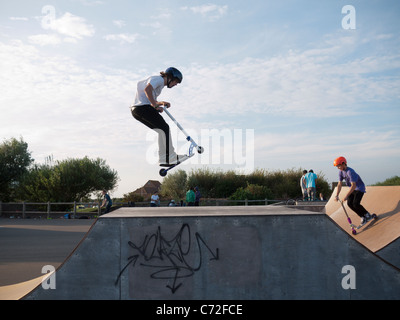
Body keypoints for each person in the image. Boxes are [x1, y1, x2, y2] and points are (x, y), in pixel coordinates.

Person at [131, 67, 186, 167]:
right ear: (170, 77)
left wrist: (160, 103)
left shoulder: (159, 85)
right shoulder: (159, 79)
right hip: (142, 108)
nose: (176, 84)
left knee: (162, 130)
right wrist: (156, 105)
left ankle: (164, 158)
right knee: (165, 128)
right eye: (176, 82)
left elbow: (149, 98)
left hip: (137, 110)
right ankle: (170, 156)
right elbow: (147, 90)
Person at [333, 156, 373, 227]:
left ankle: (367, 214)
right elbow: (339, 184)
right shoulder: (341, 172)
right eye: (337, 166)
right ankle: (362, 217)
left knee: (355, 203)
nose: (338, 168)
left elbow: (353, 185)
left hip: (359, 188)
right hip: (353, 189)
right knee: (349, 204)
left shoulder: (350, 172)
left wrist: (346, 196)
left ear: (343, 163)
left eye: (338, 166)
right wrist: (337, 195)